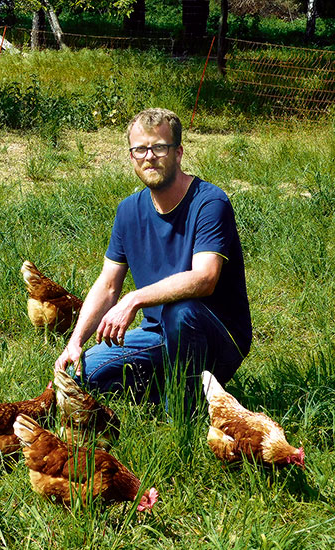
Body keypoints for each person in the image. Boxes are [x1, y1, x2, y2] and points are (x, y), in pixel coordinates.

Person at [54, 108, 251, 411]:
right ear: (131, 156)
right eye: (140, 149)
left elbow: (205, 278)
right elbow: (107, 286)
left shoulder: (210, 202)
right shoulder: (128, 211)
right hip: (157, 335)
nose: (150, 157)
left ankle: (181, 418)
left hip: (219, 336)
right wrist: (76, 342)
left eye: (159, 147)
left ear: (178, 152)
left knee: (179, 310)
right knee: (78, 375)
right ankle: (166, 393)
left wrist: (133, 300)